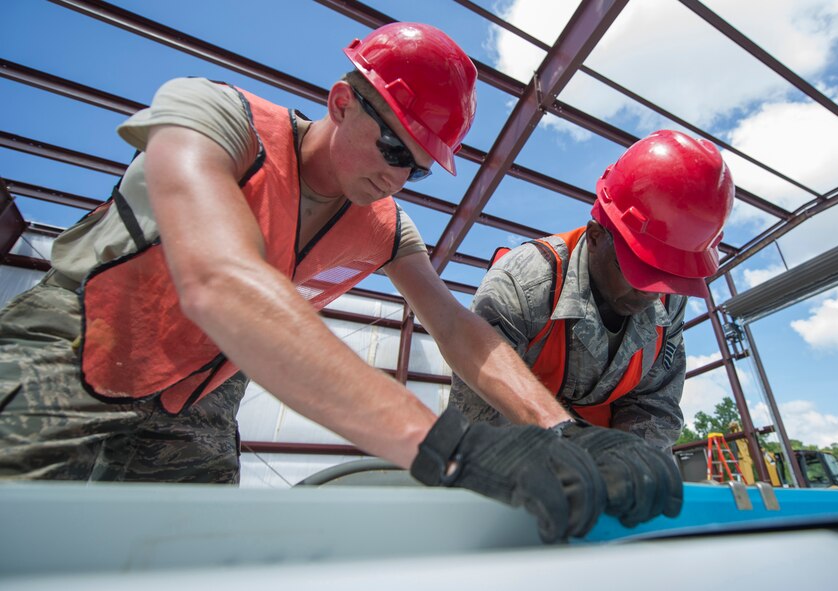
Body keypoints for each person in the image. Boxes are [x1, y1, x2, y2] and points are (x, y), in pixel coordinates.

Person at [0, 23, 681, 543]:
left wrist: (560, 432)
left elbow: (457, 329)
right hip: (72, 353)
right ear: (342, 101)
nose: (396, 177)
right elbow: (219, 280)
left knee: (185, 555)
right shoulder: (212, 119)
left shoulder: (388, 226)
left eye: (415, 168)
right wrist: (452, 448)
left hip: (201, 402)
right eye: (393, 149)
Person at [451, 130, 735, 451]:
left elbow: (654, 404)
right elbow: (480, 414)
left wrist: (629, 469)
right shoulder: (524, 282)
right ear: (597, 235)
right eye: (641, 273)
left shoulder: (669, 299)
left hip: (605, 455)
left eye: (668, 278)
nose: (653, 295)